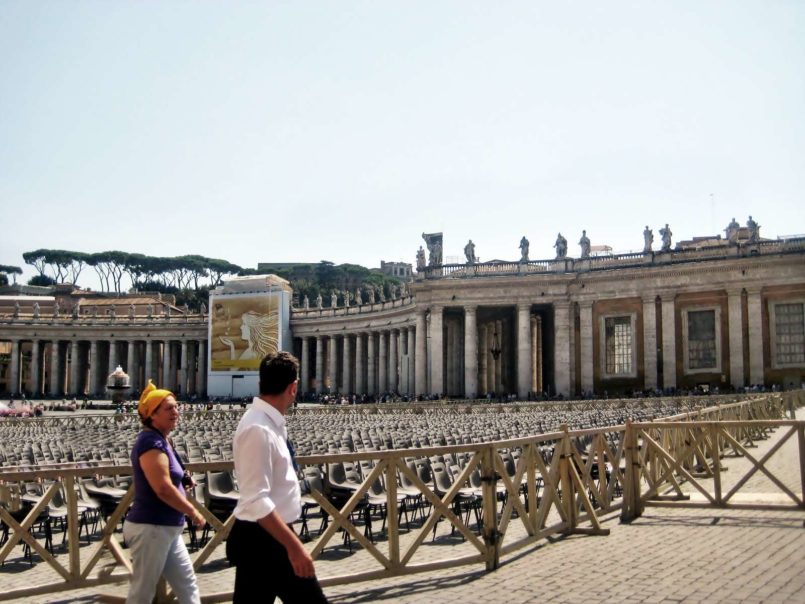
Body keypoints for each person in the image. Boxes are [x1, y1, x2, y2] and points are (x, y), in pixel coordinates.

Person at [227, 352, 328, 603]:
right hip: (266, 540)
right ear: (293, 388)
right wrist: (294, 547)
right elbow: (256, 499)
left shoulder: (268, 423)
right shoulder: (257, 429)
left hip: (268, 537)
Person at [124, 380, 204, 604]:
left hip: (167, 527)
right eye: (169, 408)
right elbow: (162, 488)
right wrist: (192, 511)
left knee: (187, 586)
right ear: (152, 414)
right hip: (151, 527)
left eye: (176, 407)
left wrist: (184, 480)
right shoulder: (151, 442)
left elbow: (171, 477)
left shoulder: (163, 440)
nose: (176, 412)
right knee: (142, 593)